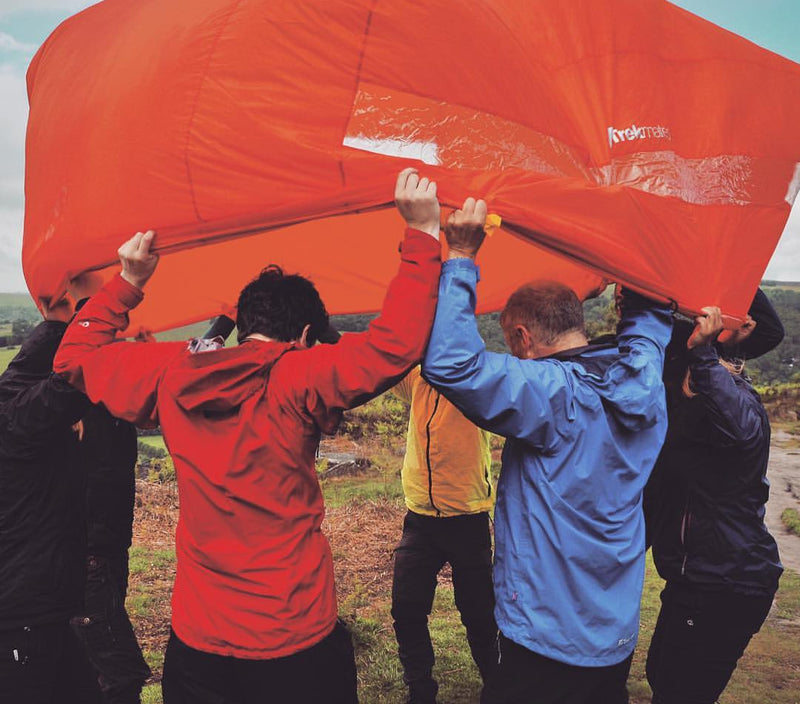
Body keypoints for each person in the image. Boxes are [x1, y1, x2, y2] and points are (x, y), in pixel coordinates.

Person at [53, 168, 442, 704]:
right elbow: (394, 345)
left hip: (200, 638)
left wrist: (129, 280)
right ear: (305, 336)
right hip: (296, 632)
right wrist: (422, 233)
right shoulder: (298, 374)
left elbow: (74, 357)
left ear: (244, 324)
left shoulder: (172, 371)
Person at [421, 198, 672, 704]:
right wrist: (642, 279)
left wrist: (462, 255)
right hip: (613, 630)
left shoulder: (555, 395)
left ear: (521, 336)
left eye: (514, 347)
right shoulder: (643, 374)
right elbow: (650, 325)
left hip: (546, 634)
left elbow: (452, 365)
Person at [644, 289, 784, 704]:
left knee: (680, 691)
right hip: (695, 576)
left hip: (728, 581)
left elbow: (737, 427)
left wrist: (706, 355)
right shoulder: (691, 409)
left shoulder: (740, 406)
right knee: (661, 674)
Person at [0, 299, 103, 703]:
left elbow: (32, 368)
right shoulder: (21, 422)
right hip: (21, 617)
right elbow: (68, 386)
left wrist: (60, 321)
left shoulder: (11, 396)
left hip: (41, 612)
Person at [391, 366, 497, 704]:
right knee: (406, 607)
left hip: (468, 515)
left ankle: (495, 684)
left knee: (479, 613)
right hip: (420, 517)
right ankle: (420, 689)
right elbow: (378, 362)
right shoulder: (418, 378)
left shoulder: (478, 376)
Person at [70, 400, 152, 704]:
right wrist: (69, 407)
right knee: (120, 674)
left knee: (95, 672)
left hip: (111, 548)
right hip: (85, 557)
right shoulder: (65, 398)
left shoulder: (117, 400)